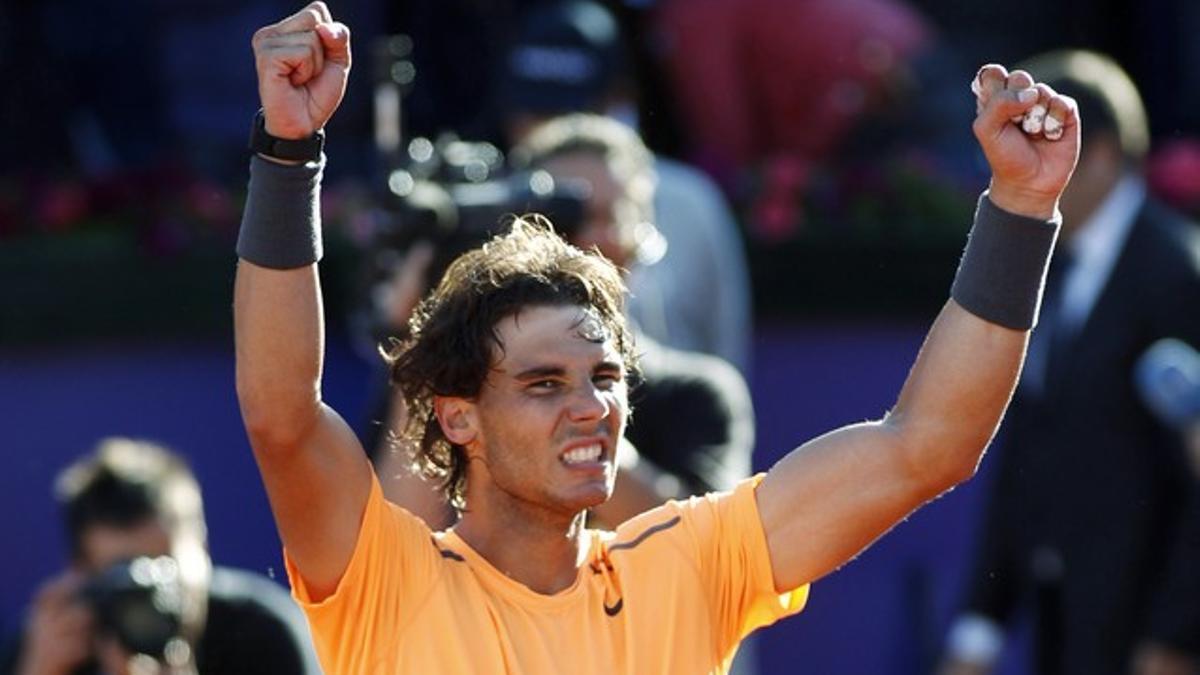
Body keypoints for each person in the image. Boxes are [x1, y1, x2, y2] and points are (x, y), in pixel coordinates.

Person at [234, 3, 1078, 672]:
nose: (591, 405)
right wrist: (287, 150)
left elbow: (928, 445)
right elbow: (282, 414)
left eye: (605, 375)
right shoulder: (388, 580)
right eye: (543, 383)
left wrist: (1021, 208)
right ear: (458, 417)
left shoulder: (689, 564)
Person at [940, 51, 1200, 675]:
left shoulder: (1178, 273)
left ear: (1104, 154)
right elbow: (1031, 443)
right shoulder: (1047, 261)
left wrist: (1178, 637)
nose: (1026, 162)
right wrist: (981, 626)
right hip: (1063, 624)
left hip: (1150, 640)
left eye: (1046, 141)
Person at [500, 0, 754, 374]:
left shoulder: (690, 204)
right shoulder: (485, 208)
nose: (555, 134)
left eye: (573, 112)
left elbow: (725, 348)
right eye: (538, 113)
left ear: (618, 101)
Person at [0, 438, 320, 675]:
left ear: (203, 548)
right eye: (123, 574)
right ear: (81, 574)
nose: (150, 593)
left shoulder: (263, 635)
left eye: (165, 567)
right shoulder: (52, 647)